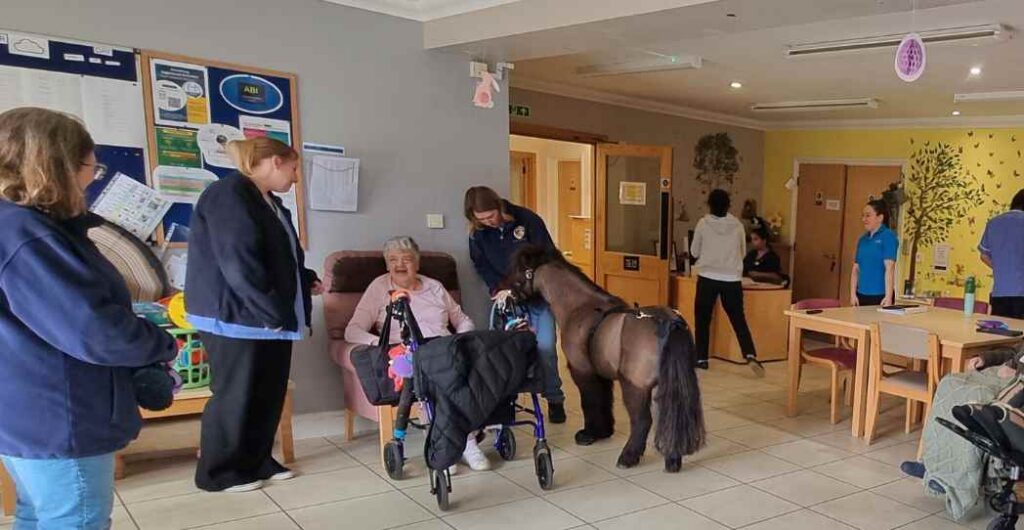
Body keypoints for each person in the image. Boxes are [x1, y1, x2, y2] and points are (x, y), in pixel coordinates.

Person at [0, 107, 176, 527]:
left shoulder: (20, 226)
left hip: (27, 408)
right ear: (56, 166)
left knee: (37, 513)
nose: (90, 180)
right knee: (75, 518)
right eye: (89, 169)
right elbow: (95, 331)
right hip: (58, 412)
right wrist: (160, 341)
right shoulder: (29, 234)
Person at [185, 137, 323, 493]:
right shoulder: (228, 195)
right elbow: (238, 262)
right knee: (236, 394)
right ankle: (218, 472)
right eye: (293, 168)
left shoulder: (271, 203)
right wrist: (270, 312)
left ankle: (257, 460)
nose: (295, 177)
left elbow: (278, 258)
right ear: (276, 162)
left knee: (268, 393)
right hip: (238, 317)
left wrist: (305, 279)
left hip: (268, 319)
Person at [344, 236, 489, 471]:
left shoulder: (435, 287)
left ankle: (458, 443)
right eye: (393, 260)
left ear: (417, 264)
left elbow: (462, 320)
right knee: (435, 382)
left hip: (444, 349)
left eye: (407, 259)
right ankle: (461, 444)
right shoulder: (380, 288)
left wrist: (460, 339)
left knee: (471, 371)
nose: (400, 265)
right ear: (386, 265)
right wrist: (383, 347)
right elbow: (352, 331)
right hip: (408, 353)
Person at [464, 186, 566, 423]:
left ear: (499, 207)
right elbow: (481, 264)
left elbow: (548, 256)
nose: (488, 222)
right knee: (504, 352)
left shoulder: (527, 220)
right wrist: (497, 288)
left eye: (491, 216)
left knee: (546, 349)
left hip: (537, 296)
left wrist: (528, 284)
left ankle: (554, 398)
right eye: (482, 219)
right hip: (507, 300)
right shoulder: (478, 234)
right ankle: (504, 402)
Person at [899, 345, 1022, 520]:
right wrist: (986, 358)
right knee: (949, 382)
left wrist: (1018, 370)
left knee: (976, 397)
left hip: (1018, 385)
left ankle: (958, 480)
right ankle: (933, 465)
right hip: (1005, 374)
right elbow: (1015, 352)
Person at [691, 189, 764, 376]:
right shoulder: (738, 225)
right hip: (731, 279)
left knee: (703, 318)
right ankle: (750, 354)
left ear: (709, 204)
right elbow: (742, 252)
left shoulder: (703, 224)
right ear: (728, 205)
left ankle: (701, 358)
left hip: (707, 277)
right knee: (738, 318)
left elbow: (694, 252)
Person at [979, 189, 1024, 319]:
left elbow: (984, 255)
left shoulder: (993, 222)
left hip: (999, 294)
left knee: (1000, 335)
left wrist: (1001, 268)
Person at [851, 199, 898, 307]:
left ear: (880, 218)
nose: (864, 219)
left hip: (880, 296)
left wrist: (888, 296)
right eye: (863, 216)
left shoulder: (888, 237)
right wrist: (853, 294)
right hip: (861, 295)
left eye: (868, 215)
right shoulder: (862, 240)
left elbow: (889, 268)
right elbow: (855, 269)